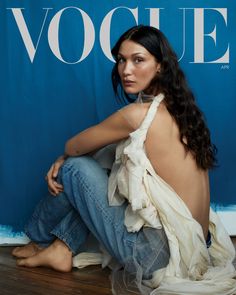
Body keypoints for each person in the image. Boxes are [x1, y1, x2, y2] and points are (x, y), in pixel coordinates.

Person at [12, 26, 236, 294]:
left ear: (161, 66)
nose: (126, 69)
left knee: (74, 167)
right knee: (111, 167)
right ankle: (62, 247)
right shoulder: (181, 110)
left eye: (138, 60)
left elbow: (73, 147)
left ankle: (38, 240)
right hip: (197, 251)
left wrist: (64, 156)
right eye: (121, 59)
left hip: (153, 258)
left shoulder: (137, 115)